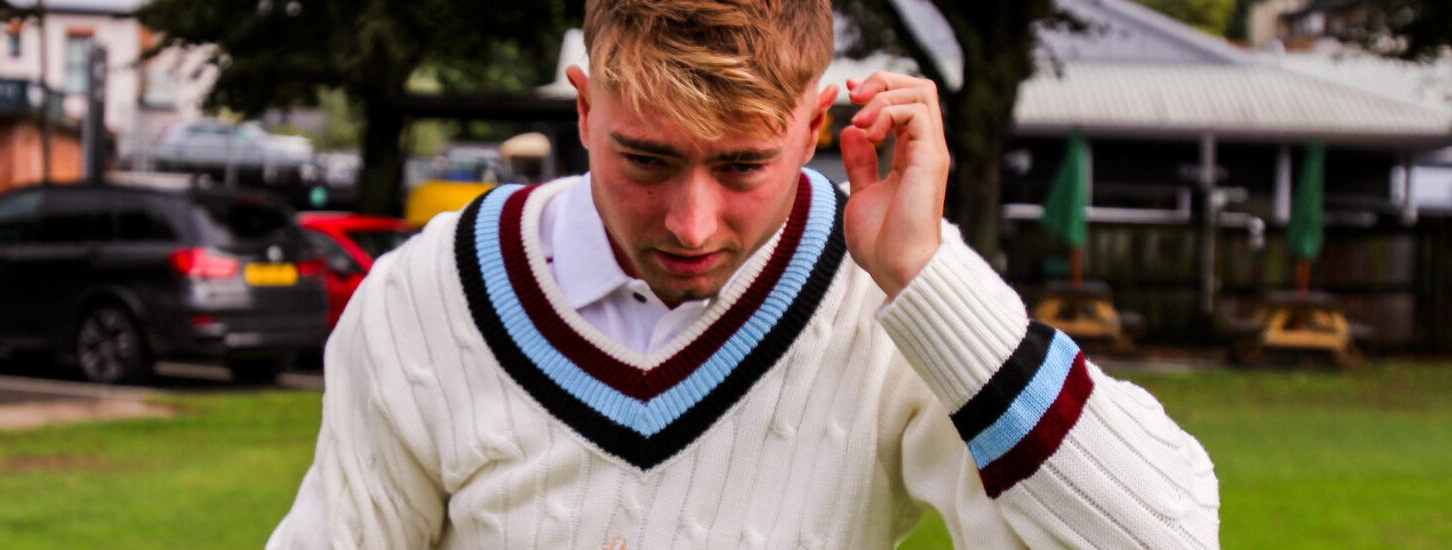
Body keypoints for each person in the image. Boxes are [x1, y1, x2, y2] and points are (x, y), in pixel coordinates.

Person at [268, 0, 1220, 547]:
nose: (692, 223)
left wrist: (927, 277)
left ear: (814, 128)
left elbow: (1168, 537)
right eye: (646, 159)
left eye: (741, 166)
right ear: (586, 111)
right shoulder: (425, 298)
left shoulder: (890, 298)